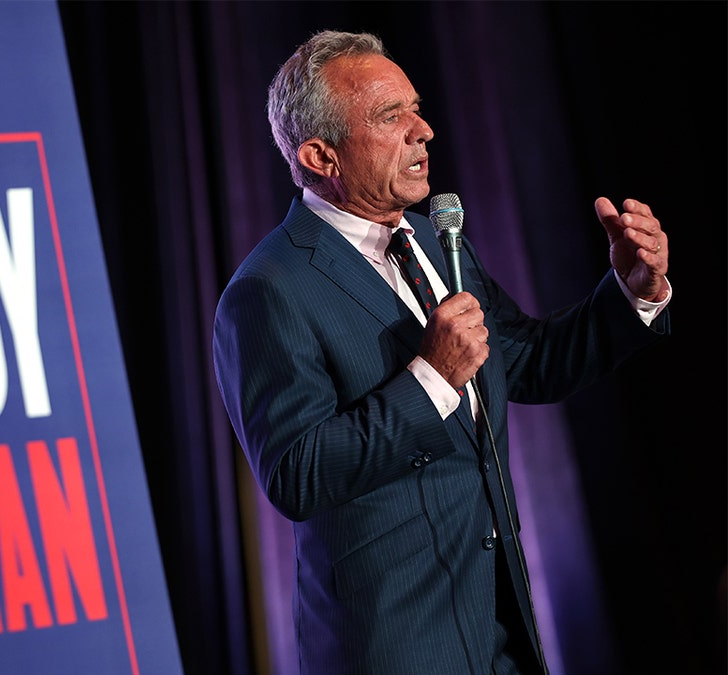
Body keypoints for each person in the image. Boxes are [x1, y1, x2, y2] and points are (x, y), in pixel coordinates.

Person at [211, 30, 671, 674]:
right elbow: (297, 474)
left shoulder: (436, 239)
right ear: (320, 154)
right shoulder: (268, 291)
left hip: (501, 629)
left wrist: (631, 293)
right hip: (398, 648)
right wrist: (431, 377)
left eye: (416, 107)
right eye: (389, 115)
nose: (423, 129)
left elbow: (528, 361)